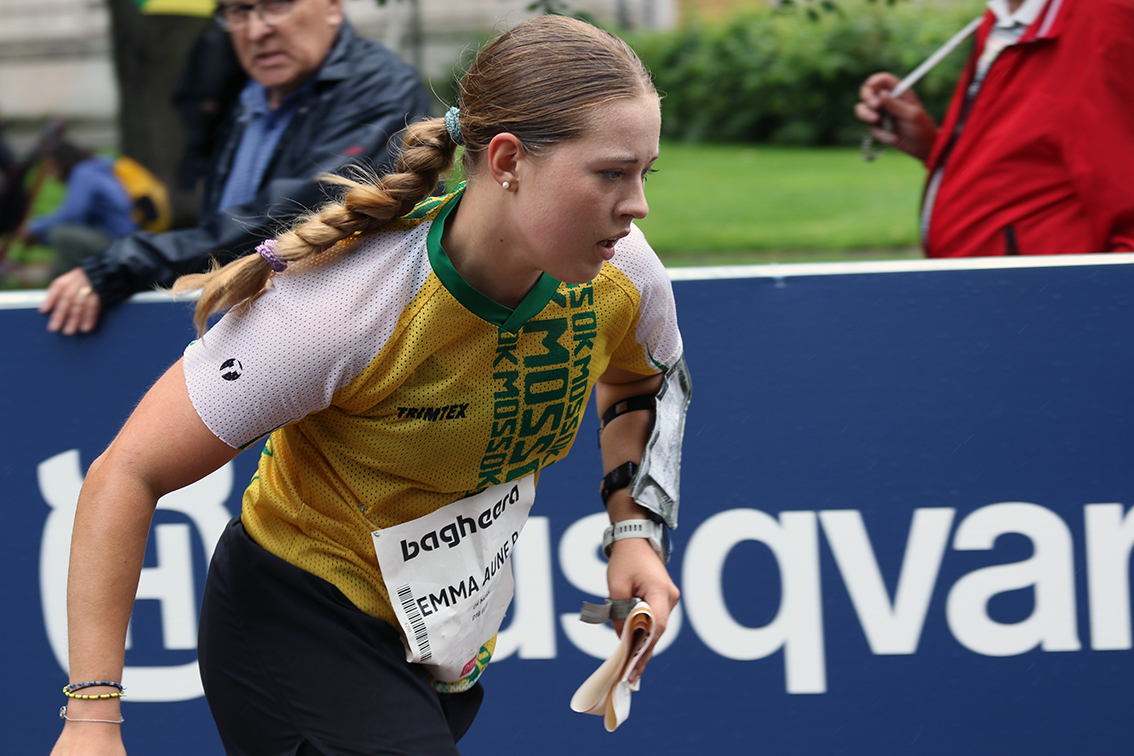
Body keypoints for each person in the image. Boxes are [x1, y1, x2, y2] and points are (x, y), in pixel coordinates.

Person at [50, 14, 688, 756]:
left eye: (644, 173)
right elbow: (125, 473)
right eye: (611, 173)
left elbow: (639, 382)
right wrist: (91, 720)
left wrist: (634, 531)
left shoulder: (623, 271)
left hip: (436, 646)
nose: (637, 204)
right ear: (509, 160)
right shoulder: (344, 307)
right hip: (294, 621)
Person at [41, 0, 433, 335]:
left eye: (276, 4)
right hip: (239, 329)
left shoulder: (381, 87)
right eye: (238, 10)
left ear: (332, 6)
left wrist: (129, 263)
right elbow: (225, 216)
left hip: (340, 339)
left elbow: (292, 216)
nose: (256, 30)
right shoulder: (243, 97)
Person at [854, 0, 1134, 258]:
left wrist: (1104, 295)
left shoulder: (1103, 17)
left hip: (1045, 291)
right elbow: (1026, 157)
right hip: (991, 287)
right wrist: (934, 148)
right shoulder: (1003, 17)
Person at [19, 141, 139, 278]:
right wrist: (40, 239)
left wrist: (32, 228)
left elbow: (71, 215)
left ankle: (59, 283)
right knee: (64, 235)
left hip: (117, 243)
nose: (51, 175)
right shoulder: (96, 170)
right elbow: (83, 223)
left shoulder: (84, 172)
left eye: (51, 166)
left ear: (61, 162)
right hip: (120, 240)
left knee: (62, 234)